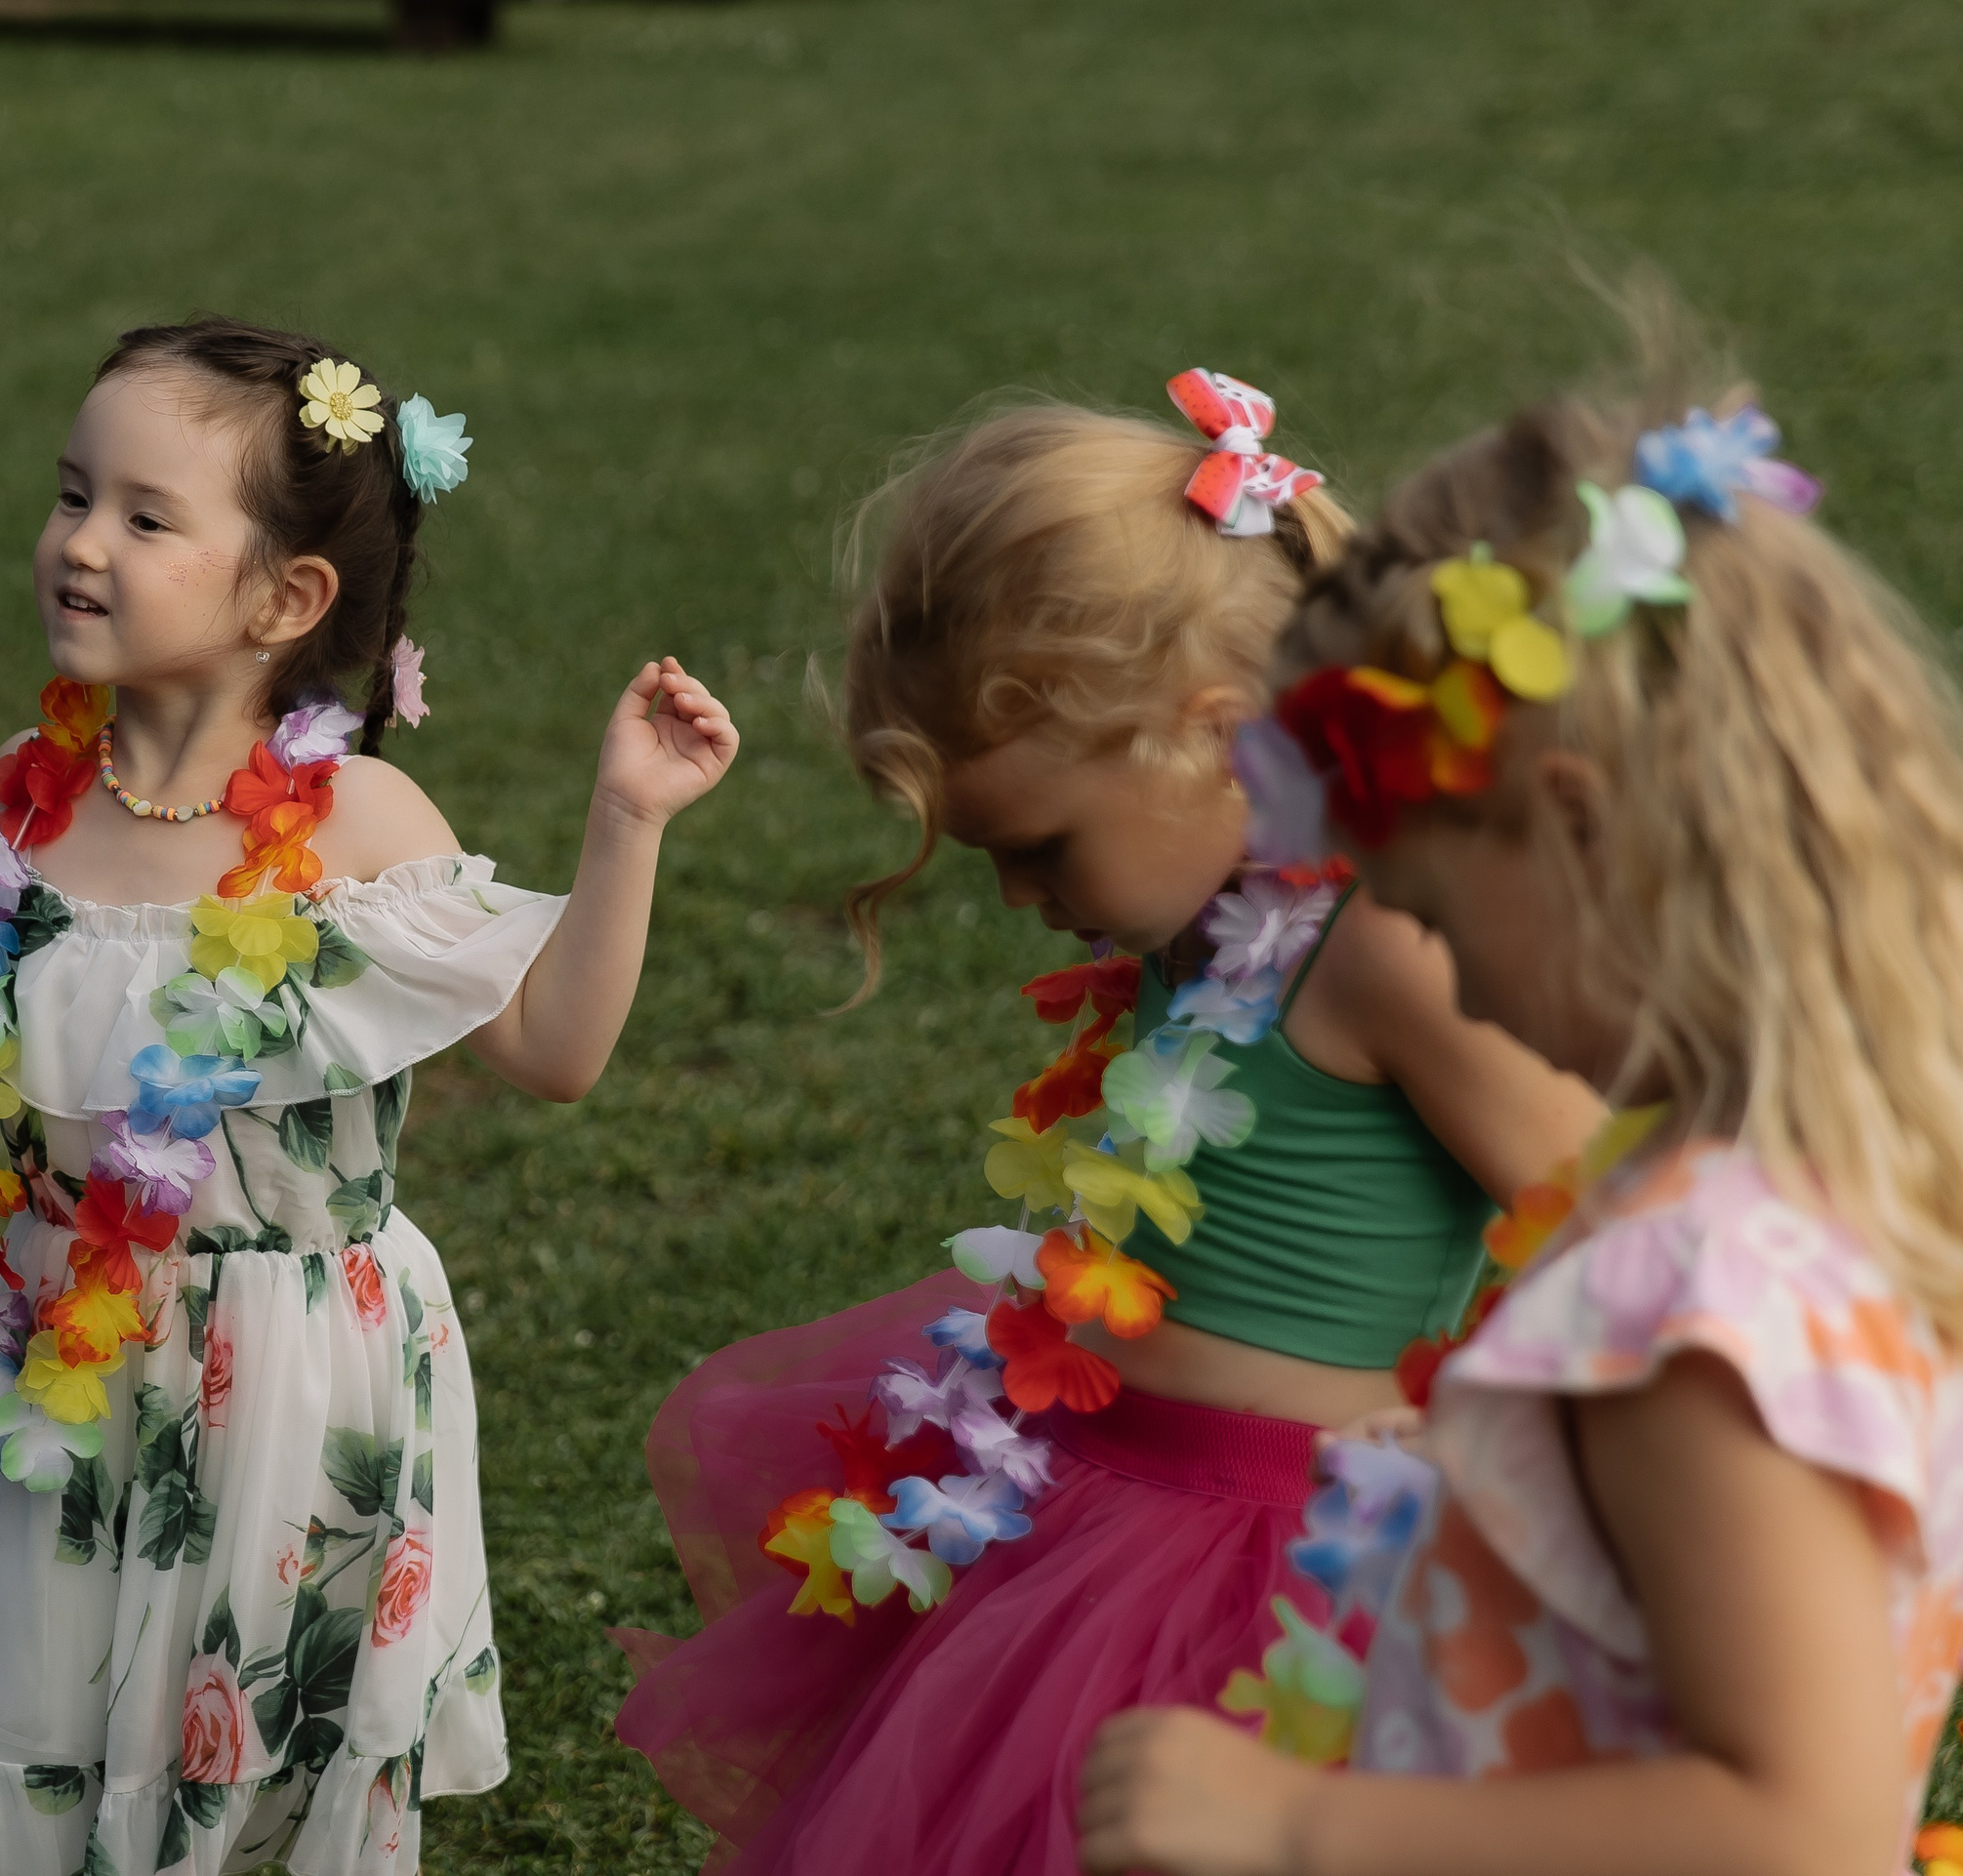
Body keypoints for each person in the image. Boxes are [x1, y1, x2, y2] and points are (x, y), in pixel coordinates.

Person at [0, 315, 738, 1876]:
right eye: (70, 496)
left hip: (295, 1380)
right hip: (67, 1369)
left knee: (246, 1768)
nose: (80, 544)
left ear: (288, 597)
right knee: (43, 1740)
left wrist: (626, 819)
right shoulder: (27, 796)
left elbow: (552, 1050)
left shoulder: (358, 821)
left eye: (143, 516)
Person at [612, 376, 1600, 1875]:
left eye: (1039, 844)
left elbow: (1628, 1222)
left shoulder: (1391, 942)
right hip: (1074, 1501)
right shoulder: (1204, 906)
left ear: (1221, 735)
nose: (1018, 896)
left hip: (1287, 1566)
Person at [1075, 379, 1963, 1876]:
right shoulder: (1815, 1198)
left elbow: (1797, 1831)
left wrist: (1296, 1821)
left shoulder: (1685, 1309)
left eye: (1422, 900)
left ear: (1578, 831)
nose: (1445, 967)